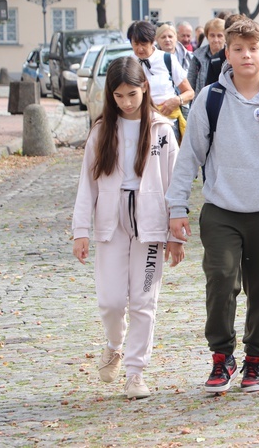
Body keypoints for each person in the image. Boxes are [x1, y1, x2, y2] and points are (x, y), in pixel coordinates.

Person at [166, 18, 259, 393]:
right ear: (227, 54)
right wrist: (177, 208)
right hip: (221, 209)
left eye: (253, 49)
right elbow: (189, 157)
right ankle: (222, 355)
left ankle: (255, 359)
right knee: (220, 281)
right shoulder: (210, 98)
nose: (246, 55)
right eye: (238, 49)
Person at [72, 56, 183, 400]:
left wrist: (175, 235)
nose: (126, 102)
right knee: (110, 301)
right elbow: (86, 184)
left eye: (132, 94)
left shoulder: (162, 130)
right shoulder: (102, 131)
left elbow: (176, 183)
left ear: (144, 88)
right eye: (119, 96)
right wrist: (81, 230)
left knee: (143, 301)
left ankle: (135, 372)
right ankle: (114, 345)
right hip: (111, 221)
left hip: (150, 223)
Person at [128, 21, 194, 144]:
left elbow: (189, 92)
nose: (140, 49)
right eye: (135, 44)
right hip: (140, 124)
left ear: (153, 41)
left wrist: (176, 101)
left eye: (144, 44)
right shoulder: (129, 63)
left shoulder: (167, 59)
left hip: (167, 122)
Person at [187, 18, 226, 96]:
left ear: (226, 37)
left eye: (219, 36)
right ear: (207, 36)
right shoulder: (198, 56)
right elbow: (190, 84)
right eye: (212, 35)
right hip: (203, 100)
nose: (216, 39)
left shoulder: (231, 56)